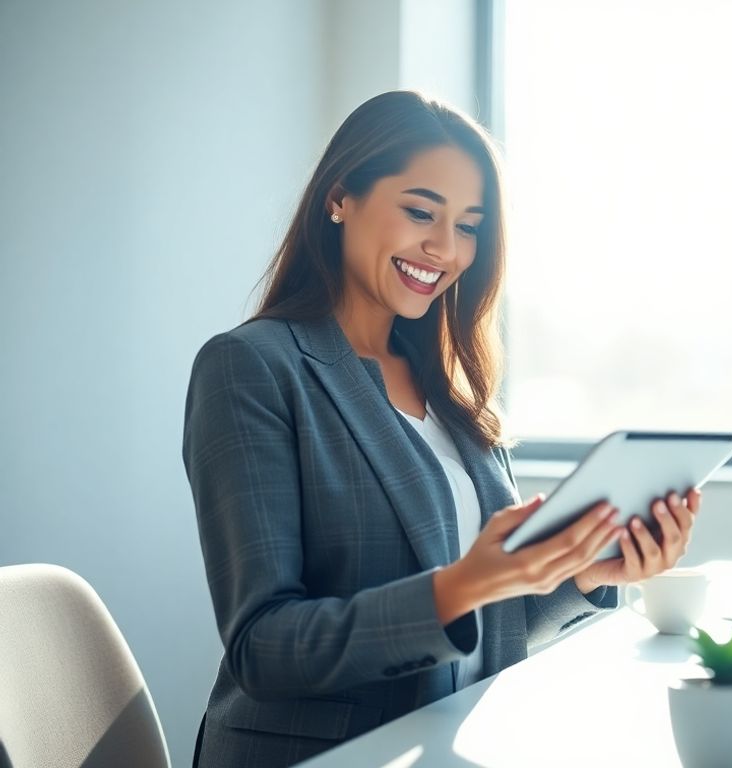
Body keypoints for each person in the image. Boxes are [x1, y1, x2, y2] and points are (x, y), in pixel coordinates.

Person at [182, 90, 701, 767]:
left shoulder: (450, 392)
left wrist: (575, 572)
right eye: (421, 212)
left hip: (448, 746)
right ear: (340, 198)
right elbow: (265, 648)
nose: (445, 248)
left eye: (469, 225)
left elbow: (490, 633)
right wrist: (462, 586)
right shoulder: (252, 367)